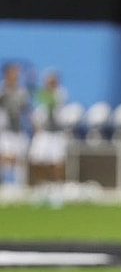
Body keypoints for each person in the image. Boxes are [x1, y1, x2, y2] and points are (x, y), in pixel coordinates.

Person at [28, 70, 69, 191]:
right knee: (36, 160)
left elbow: (50, 101)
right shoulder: (41, 95)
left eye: (52, 81)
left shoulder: (60, 93)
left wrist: (32, 86)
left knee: (57, 162)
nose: (49, 84)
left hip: (57, 133)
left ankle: (58, 188)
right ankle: (43, 186)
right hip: (43, 133)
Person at [0, 62, 31, 194]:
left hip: (18, 129)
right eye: (13, 72)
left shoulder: (22, 91)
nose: (16, 75)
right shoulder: (2, 89)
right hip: (5, 129)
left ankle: (20, 187)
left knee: (19, 159)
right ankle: (4, 185)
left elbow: (26, 110)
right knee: (5, 157)